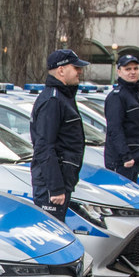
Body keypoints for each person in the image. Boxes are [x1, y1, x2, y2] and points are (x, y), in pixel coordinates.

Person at [29, 49, 88, 220]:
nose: (80, 72)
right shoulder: (53, 100)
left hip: (61, 179)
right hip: (52, 185)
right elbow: (44, 146)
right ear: (61, 70)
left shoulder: (62, 97)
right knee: (51, 235)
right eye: (76, 68)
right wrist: (55, 188)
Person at [103, 54, 139, 182]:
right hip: (122, 161)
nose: (132, 72)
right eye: (128, 69)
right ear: (119, 72)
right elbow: (115, 129)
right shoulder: (117, 96)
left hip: (134, 157)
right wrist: (125, 156)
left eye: (135, 69)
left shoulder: (136, 94)